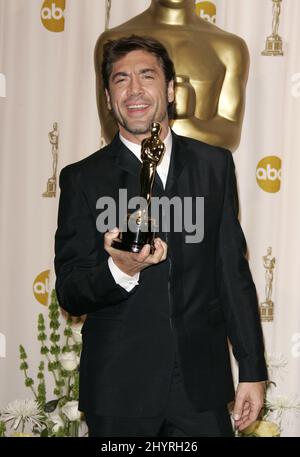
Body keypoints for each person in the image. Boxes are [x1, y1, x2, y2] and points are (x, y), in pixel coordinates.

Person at [55, 35, 267, 437]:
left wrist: (252, 370)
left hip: (200, 389)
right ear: (107, 96)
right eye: (120, 80)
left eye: (147, 76)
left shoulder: (214, 166)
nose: (134, 90)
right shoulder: (83, 179)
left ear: (170, 90)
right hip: (120, 392)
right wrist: (118, 269)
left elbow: (232, 276)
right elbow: (70, 291)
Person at [94, 0, 249, 151]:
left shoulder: (229, 48)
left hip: (199, 174)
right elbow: (110, 129)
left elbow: (230, 134)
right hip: (132, 172)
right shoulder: (114, 40)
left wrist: (185, 122)